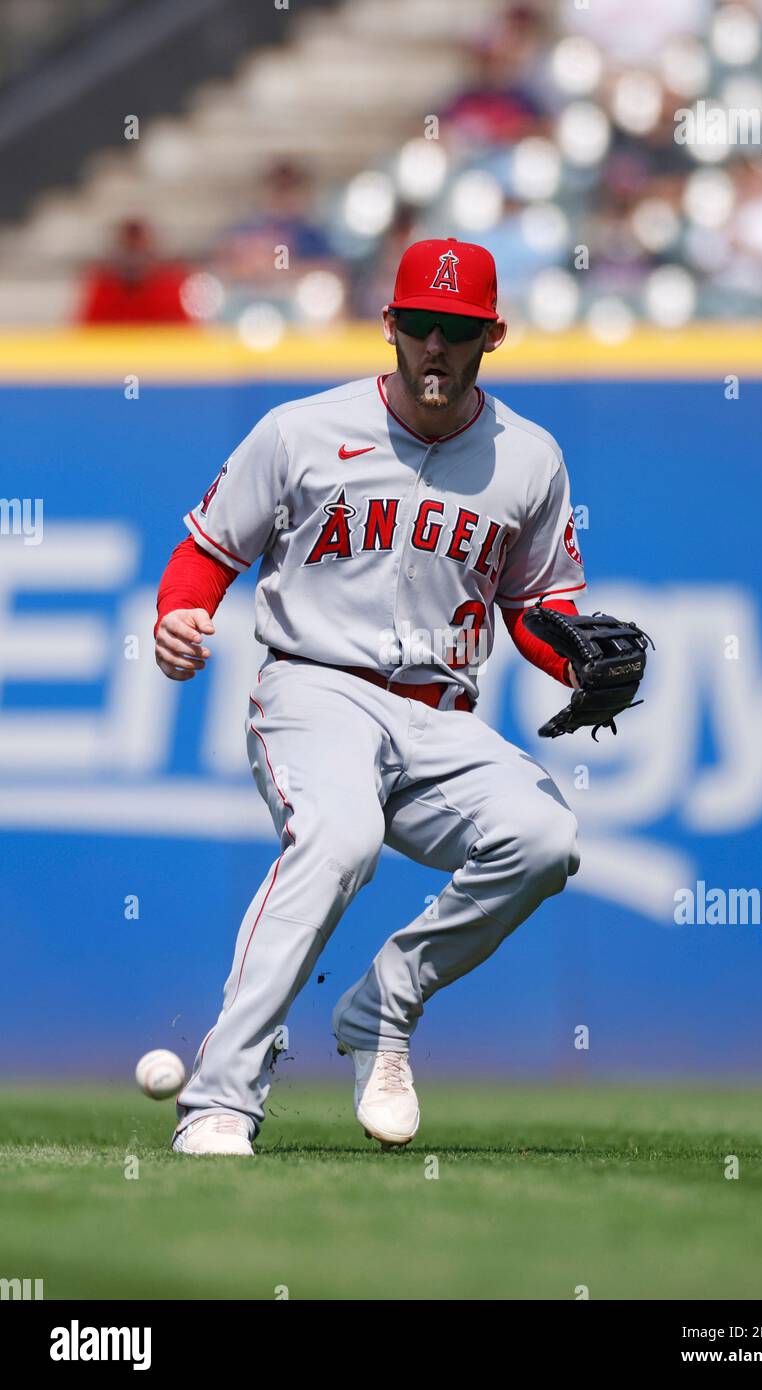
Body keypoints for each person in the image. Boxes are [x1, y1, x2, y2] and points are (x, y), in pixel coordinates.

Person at [154, 237, 585, 1157]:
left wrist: (577, 662)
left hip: (440, 715)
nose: (437, 345)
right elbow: (206, 552)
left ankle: (382, 1006)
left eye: (458, 330)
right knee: (339, 839)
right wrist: (180, 617)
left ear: (492, 337)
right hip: (315, 688)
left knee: (545, 839)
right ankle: (223, 1099)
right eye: (421, 326)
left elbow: (540, 608)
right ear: (390, 327)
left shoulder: (530, 459)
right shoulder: (299, 430)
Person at [78, 218, 191, 324]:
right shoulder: (103, 285)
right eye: (129, 249)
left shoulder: (169, 284)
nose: (134, 258)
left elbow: (184, 334)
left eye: (139, 249)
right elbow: (87, 331)